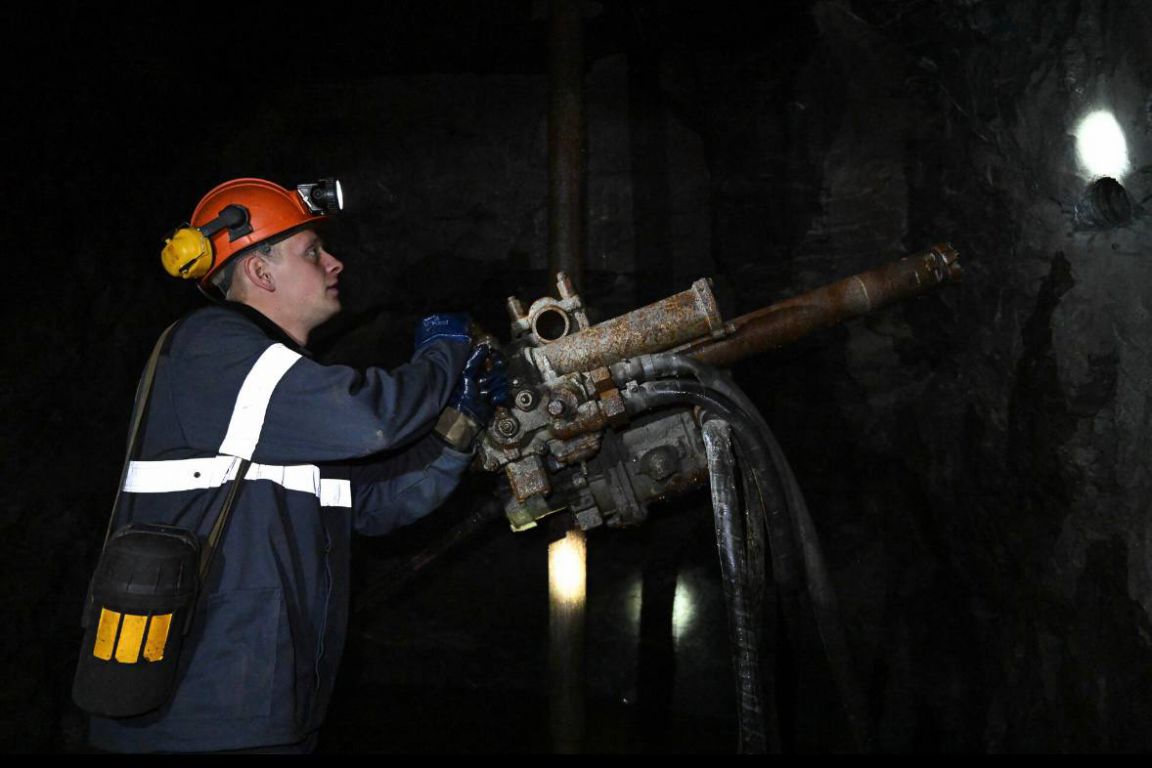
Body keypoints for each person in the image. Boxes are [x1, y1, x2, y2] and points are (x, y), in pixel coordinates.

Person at [86, 177, 503, 753]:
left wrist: (462, 420)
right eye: (312, 252)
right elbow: (369, 421)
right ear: (260, 272)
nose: (334, 263)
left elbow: (378, 502)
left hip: (267, 708)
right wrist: (444, 351)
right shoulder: (211, 348)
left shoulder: (280, 402)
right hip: (194, 714)